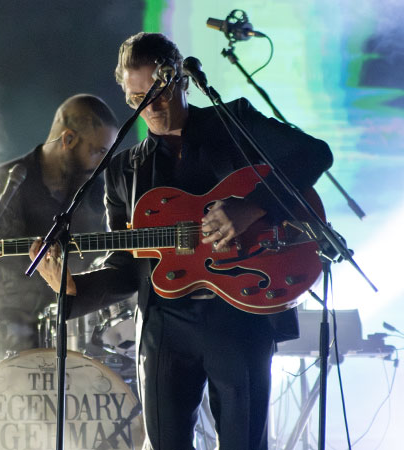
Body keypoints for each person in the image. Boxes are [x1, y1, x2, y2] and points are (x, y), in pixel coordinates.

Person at [31, 33, 333, 449]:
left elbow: (313, 153)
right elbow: (125, 264)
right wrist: (74, 287)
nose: (151, 106)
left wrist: (253, 207)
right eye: (138, 96)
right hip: (165, 327)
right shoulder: (124, 172)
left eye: (160, 91)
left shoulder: (235, 124)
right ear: (125, 93)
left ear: (182, 81)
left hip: (239, 311)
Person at [0, 94, 119, 351]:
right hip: (13, 338)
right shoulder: (3, 187)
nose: (101, 165)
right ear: (68, 139)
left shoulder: (100, 192)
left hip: (82, 334)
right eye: (97, 152)